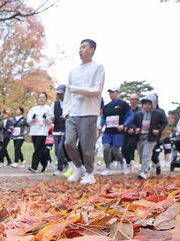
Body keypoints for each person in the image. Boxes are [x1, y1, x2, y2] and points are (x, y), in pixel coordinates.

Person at [63, 39, 105, 185]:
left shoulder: (98, 67)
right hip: (73, 112)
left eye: (84, 47)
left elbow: (97, 90)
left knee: (87, 147)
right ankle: (78, 167)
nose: (80, 50)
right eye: (79, 47)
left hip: (89, 111)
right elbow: (68, 94)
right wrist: (66, 110)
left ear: (92, 49)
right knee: (68, 142)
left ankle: (89, 172)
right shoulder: (73, 71)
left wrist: (78, 90)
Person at [131, 94, 167, 179]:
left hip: (151, 138)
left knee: (146, 155)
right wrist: (135, 129)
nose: (147, 106)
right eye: (145, 104)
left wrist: (158, 130)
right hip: (140, 138)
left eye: (149, 104)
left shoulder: (158, 113)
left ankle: (144, 172)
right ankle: (147, 167)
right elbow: (132, 123)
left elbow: (164, 122)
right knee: (141, 154)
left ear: (153, 104)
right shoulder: (138, 114)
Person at [99, 87, 133, 176]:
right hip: (108, 131)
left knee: (115, 150)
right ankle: (107, 168)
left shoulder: (123, 104)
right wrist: (100, 125)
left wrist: (124, 125)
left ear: (117, 93)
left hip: (118, 131)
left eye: (113, 92)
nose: (111, 94)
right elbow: (103, 117)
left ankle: (122, 163)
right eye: (110, 92)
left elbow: (130, 115)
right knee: (106, 148)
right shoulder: (106, 106)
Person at [27, 92, 51, 173]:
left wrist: (46, 117)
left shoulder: (48, 109)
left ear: (46, 99)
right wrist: (32, 118)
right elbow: (28, 120)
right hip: (34, 131)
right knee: (38, 149)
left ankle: (34, 167)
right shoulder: (33, 109)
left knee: (37, 149)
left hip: (42, 132)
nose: (41, 99)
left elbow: (50, 121)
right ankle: (44, 163)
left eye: (43, 97)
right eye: (40, 97)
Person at [50, 84, 68, 175]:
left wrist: (67, 117)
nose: (60, 95)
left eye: (61, 93)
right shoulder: (54, 104)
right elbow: (51, 115)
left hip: (66, 129)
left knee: (61, 148)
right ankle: (66, 163)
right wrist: (52, 117)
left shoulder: (69, 103)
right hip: (57, 129)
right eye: (58, 93)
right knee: (57, 150)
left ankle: (59, 169)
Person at [123, 93, 141, 170]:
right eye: (131, 99)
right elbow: (124, 120)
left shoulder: (140, 111)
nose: (133, 101)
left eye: (135, 99)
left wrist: (135, 129)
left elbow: (141, 121)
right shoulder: (126, 110)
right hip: (126, 131)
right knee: (124, 148)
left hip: (136, 133)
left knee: (130, 146)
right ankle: (128, 162)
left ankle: (131, 161)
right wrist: (127, 128)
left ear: (137, 101)